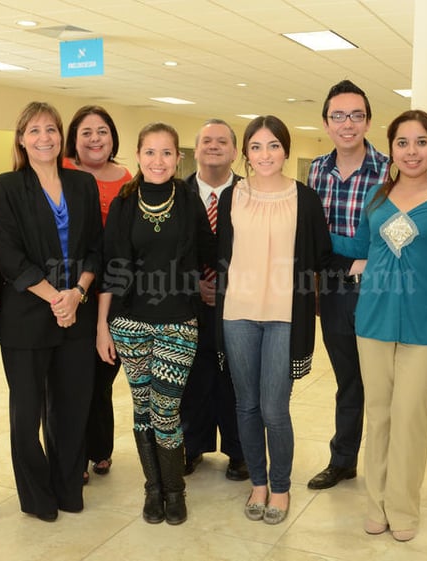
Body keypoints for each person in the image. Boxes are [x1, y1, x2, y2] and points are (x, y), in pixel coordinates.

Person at [215, 115, 360, 525]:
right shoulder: (233, 197)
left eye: (273, 146)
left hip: (284, 317)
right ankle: (257, 484)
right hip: (237, 314)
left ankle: (280, 487)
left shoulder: (304, 198)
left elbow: (320, 257)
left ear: (285, 150)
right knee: (246, 405)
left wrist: (361, 263)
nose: (265, 155)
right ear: (246, 153)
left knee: (275, 409)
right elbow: (222, 258)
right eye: (256, 147)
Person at [344, 110, 427, 541]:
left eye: (420, 142)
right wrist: (307, 230)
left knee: (410, 416)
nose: (411, 151)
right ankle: (376, 503)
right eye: (402, 142)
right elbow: (361, 246)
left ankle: (403, 507)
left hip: (425, 326)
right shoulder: (378, 196)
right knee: (377, 416)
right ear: (391, 148)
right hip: (372, 320)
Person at [0, 101, 103, 522]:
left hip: (77, 312)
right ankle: (37, 497)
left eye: (51, 129)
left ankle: (68, 487)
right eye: (34, 131)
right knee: (26, 411)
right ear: (21, 139)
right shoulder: (3, 187)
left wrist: (77, 294)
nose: (44, 138)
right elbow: (9, 256)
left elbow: (95, 249)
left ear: (61, 136)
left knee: (72, 408)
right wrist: (57, 297)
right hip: (27, 317)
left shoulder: (82, 185)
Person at [96, 122, 214, 526]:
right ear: (138, 155)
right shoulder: (125, 203)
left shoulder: (188, 200)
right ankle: (153, 489)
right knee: (141, 409)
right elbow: (111, 268)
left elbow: (210, 253)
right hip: (129, 323)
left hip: (178, 322)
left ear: (177, 158)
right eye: (150, 152)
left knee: (166, 410)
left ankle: (175, 491)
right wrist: (101, 326)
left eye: (166, 153)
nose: (158, 161)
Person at [305, 80, 389, 490]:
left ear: (368, 121)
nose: (347, 124)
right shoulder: (316, 170)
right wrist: (352, 256)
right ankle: (343, 460)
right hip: (336, 293)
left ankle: (386, 465)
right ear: (326, 123)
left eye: (356, 115)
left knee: (384, 383)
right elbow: (313, 239)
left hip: (384, 292)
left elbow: (391, 239)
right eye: (338, 116)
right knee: (348, 380)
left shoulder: (392, 169)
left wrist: (350, 253)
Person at [64, 105, 133, 482]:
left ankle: (100, 449)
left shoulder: (127, 179)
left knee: (104, 372)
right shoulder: (61, 172)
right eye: (87, 132)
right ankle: (73, 455)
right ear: (74, 138)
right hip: (70, 287)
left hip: (115, 288)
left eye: (102, 131)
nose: (95, 139)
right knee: (74, 378)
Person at [179, 118, 248, 481]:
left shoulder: (251, 193)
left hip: (240, 302)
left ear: (235, 151)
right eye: (206, 140)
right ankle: (192, 447)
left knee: (235, 377)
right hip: (189, 304)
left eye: (222, 141)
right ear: (196, 148)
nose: (214, 146)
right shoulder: (177, 192)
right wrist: (193, 283)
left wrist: (226, 284)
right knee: (193, 377)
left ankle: (240, 451)